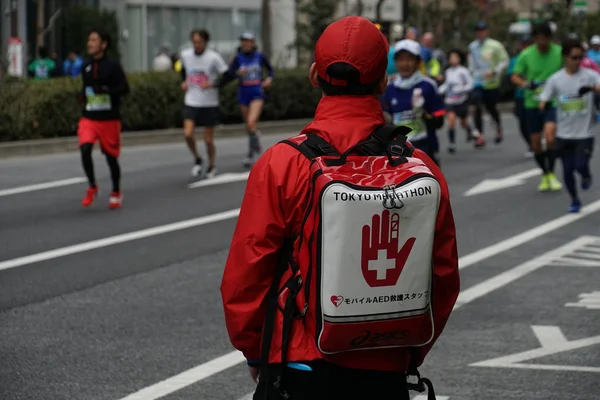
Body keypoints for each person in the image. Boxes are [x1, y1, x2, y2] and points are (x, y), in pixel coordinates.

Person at [221, 15, 459, 400]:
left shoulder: (283, 163)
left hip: (298, 362)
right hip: (385, 366)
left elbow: (247, 272)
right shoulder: (421, 167)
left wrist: (255, 349)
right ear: (384, 81)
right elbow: (443, 275)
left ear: (315, 75)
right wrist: (407, 351)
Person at [538, 38, 600, 213]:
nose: (578, 61)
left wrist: (592, 88)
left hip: (584, 134)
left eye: (581, 57)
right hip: (563, 134)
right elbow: (543, 99)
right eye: (574, 57)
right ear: (565, 57)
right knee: (567, 171)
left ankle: (586, 174)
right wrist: (544, 106)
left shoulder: (589, 75)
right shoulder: (556, 79)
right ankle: (574, 200)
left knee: (580, 165)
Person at [78, 28, 130, 209]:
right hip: (89, 117)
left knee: (110, 158)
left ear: (104, 44)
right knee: (85, 149)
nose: (89, 43)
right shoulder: (85, 65)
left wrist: (108, 90)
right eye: (89, 40)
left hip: (109, 119)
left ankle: (116, 191)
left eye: (94, 40)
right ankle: (92, 186)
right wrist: (82, 98)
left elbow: (125, 88)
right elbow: (84, 87)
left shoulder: (113, 66)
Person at [511, 21, 563, 192]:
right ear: (534, 39)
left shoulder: (559, 52)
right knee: (535, 144)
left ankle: (552, 173)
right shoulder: (526, 54)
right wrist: (526, 84)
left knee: (550, 136)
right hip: (531, 102)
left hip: (553, 102)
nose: (542, 42)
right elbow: (515, 76)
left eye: (545, 38)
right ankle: (545, 173)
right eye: (539, 38)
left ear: (550, 38)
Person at [213, 32, 274, 168]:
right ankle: (255, 137)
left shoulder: (259, 56)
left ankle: (250, 156)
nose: (245, 44)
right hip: (243, 94)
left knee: (251, 122)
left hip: (257, 93)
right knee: (249, 126)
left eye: (248, 41)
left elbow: (270, 69)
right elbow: (229, 75)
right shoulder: (238, 58)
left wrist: (269, 79)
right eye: (243, 42)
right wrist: (234, 75)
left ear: (253, 43)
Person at [381, 39, 445, 165]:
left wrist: (423, 113)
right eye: (400, 59)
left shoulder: (427, 86)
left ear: (418, 61)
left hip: (425, 148)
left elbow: (439, 121)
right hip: (398, 151)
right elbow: (386, 119)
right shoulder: (390, 88)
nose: (404, 64)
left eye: (409, 59)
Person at [180, 29, 229, 179]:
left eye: (199, 42)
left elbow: (227, 76)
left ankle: (212, 165)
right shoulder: (186, 55)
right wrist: (183, 81)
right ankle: (197, 159)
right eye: (194, 42)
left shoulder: (213, 57)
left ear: (205, 43)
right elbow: (182, 69)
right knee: (188, 134)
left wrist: (212, 83)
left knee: (208, 140)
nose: (197, 45)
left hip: (209, 102)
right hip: (191, 100)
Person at [467, 21, 509, 147]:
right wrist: (471, 76)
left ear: (487, 31)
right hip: (477, 82)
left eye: (482, 30)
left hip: (491, 83)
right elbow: (471, 63)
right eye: (478, 31)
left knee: (491, 107)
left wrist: (495, 71)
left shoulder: (495, 45)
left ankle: (498, 128)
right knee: (477, 106)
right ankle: (480, 135)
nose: (480, 33)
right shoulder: (473, 46)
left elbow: (505, 60)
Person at [438, 49, 474, 154]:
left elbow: (470, 85)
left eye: (455, 57)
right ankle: (452, 143)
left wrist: (462, 89)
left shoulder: (464, 71)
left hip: (461, 100)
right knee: (451, 121)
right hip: (450, 101)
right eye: (451, 57)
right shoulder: (448, 71)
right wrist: (441, 89)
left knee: (463, 122)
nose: (453, 59)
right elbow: (447, 84)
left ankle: (469, 131)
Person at [508, 35, 535, 158]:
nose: (526, 48)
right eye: (524, 45)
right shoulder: (516, 60)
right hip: (521, 95)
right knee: (523, 123)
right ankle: (531, 144)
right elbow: (512, 76)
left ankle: (537, 143)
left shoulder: (537, 58)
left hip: (536, 96)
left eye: (529, 45)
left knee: (534, 121)